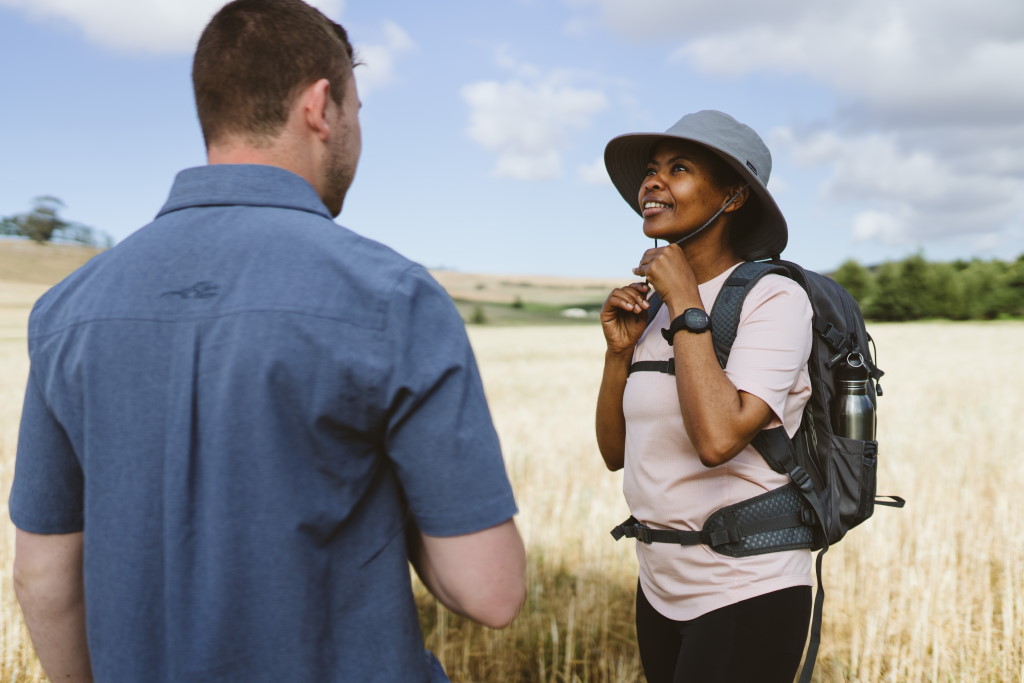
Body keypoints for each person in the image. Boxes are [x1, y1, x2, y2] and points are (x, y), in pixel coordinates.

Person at [9, 1, 526, 681]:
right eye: (357, 111)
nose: (357, 134)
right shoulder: (392, 297)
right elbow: (488, 591)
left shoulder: (65, 311)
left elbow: (43, 574)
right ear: (320, 106)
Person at [595, 110, 813, 682]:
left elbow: (719, 439)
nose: (652, 182)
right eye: (650, 170)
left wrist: (688, 303)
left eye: (680, 168)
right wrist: (619, 352)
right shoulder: (653, 308)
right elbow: (616, 453)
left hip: (747, 584)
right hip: (659, 583)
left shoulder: (774, 299)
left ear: (734, 196)